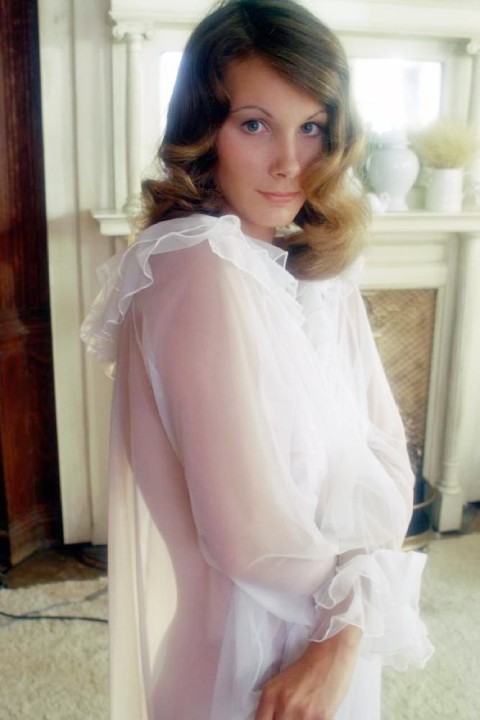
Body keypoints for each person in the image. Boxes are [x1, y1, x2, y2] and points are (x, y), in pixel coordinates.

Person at [81, 1, 433, 718]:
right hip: (245, 670)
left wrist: (342, 635)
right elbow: (248, 539)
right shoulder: (193, 264)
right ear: (203, 131)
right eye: (253, 124)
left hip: (324, 651)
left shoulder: (315, 270)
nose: (289, 163)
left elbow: (393, 469)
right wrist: (353, 615)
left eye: (312, 127)